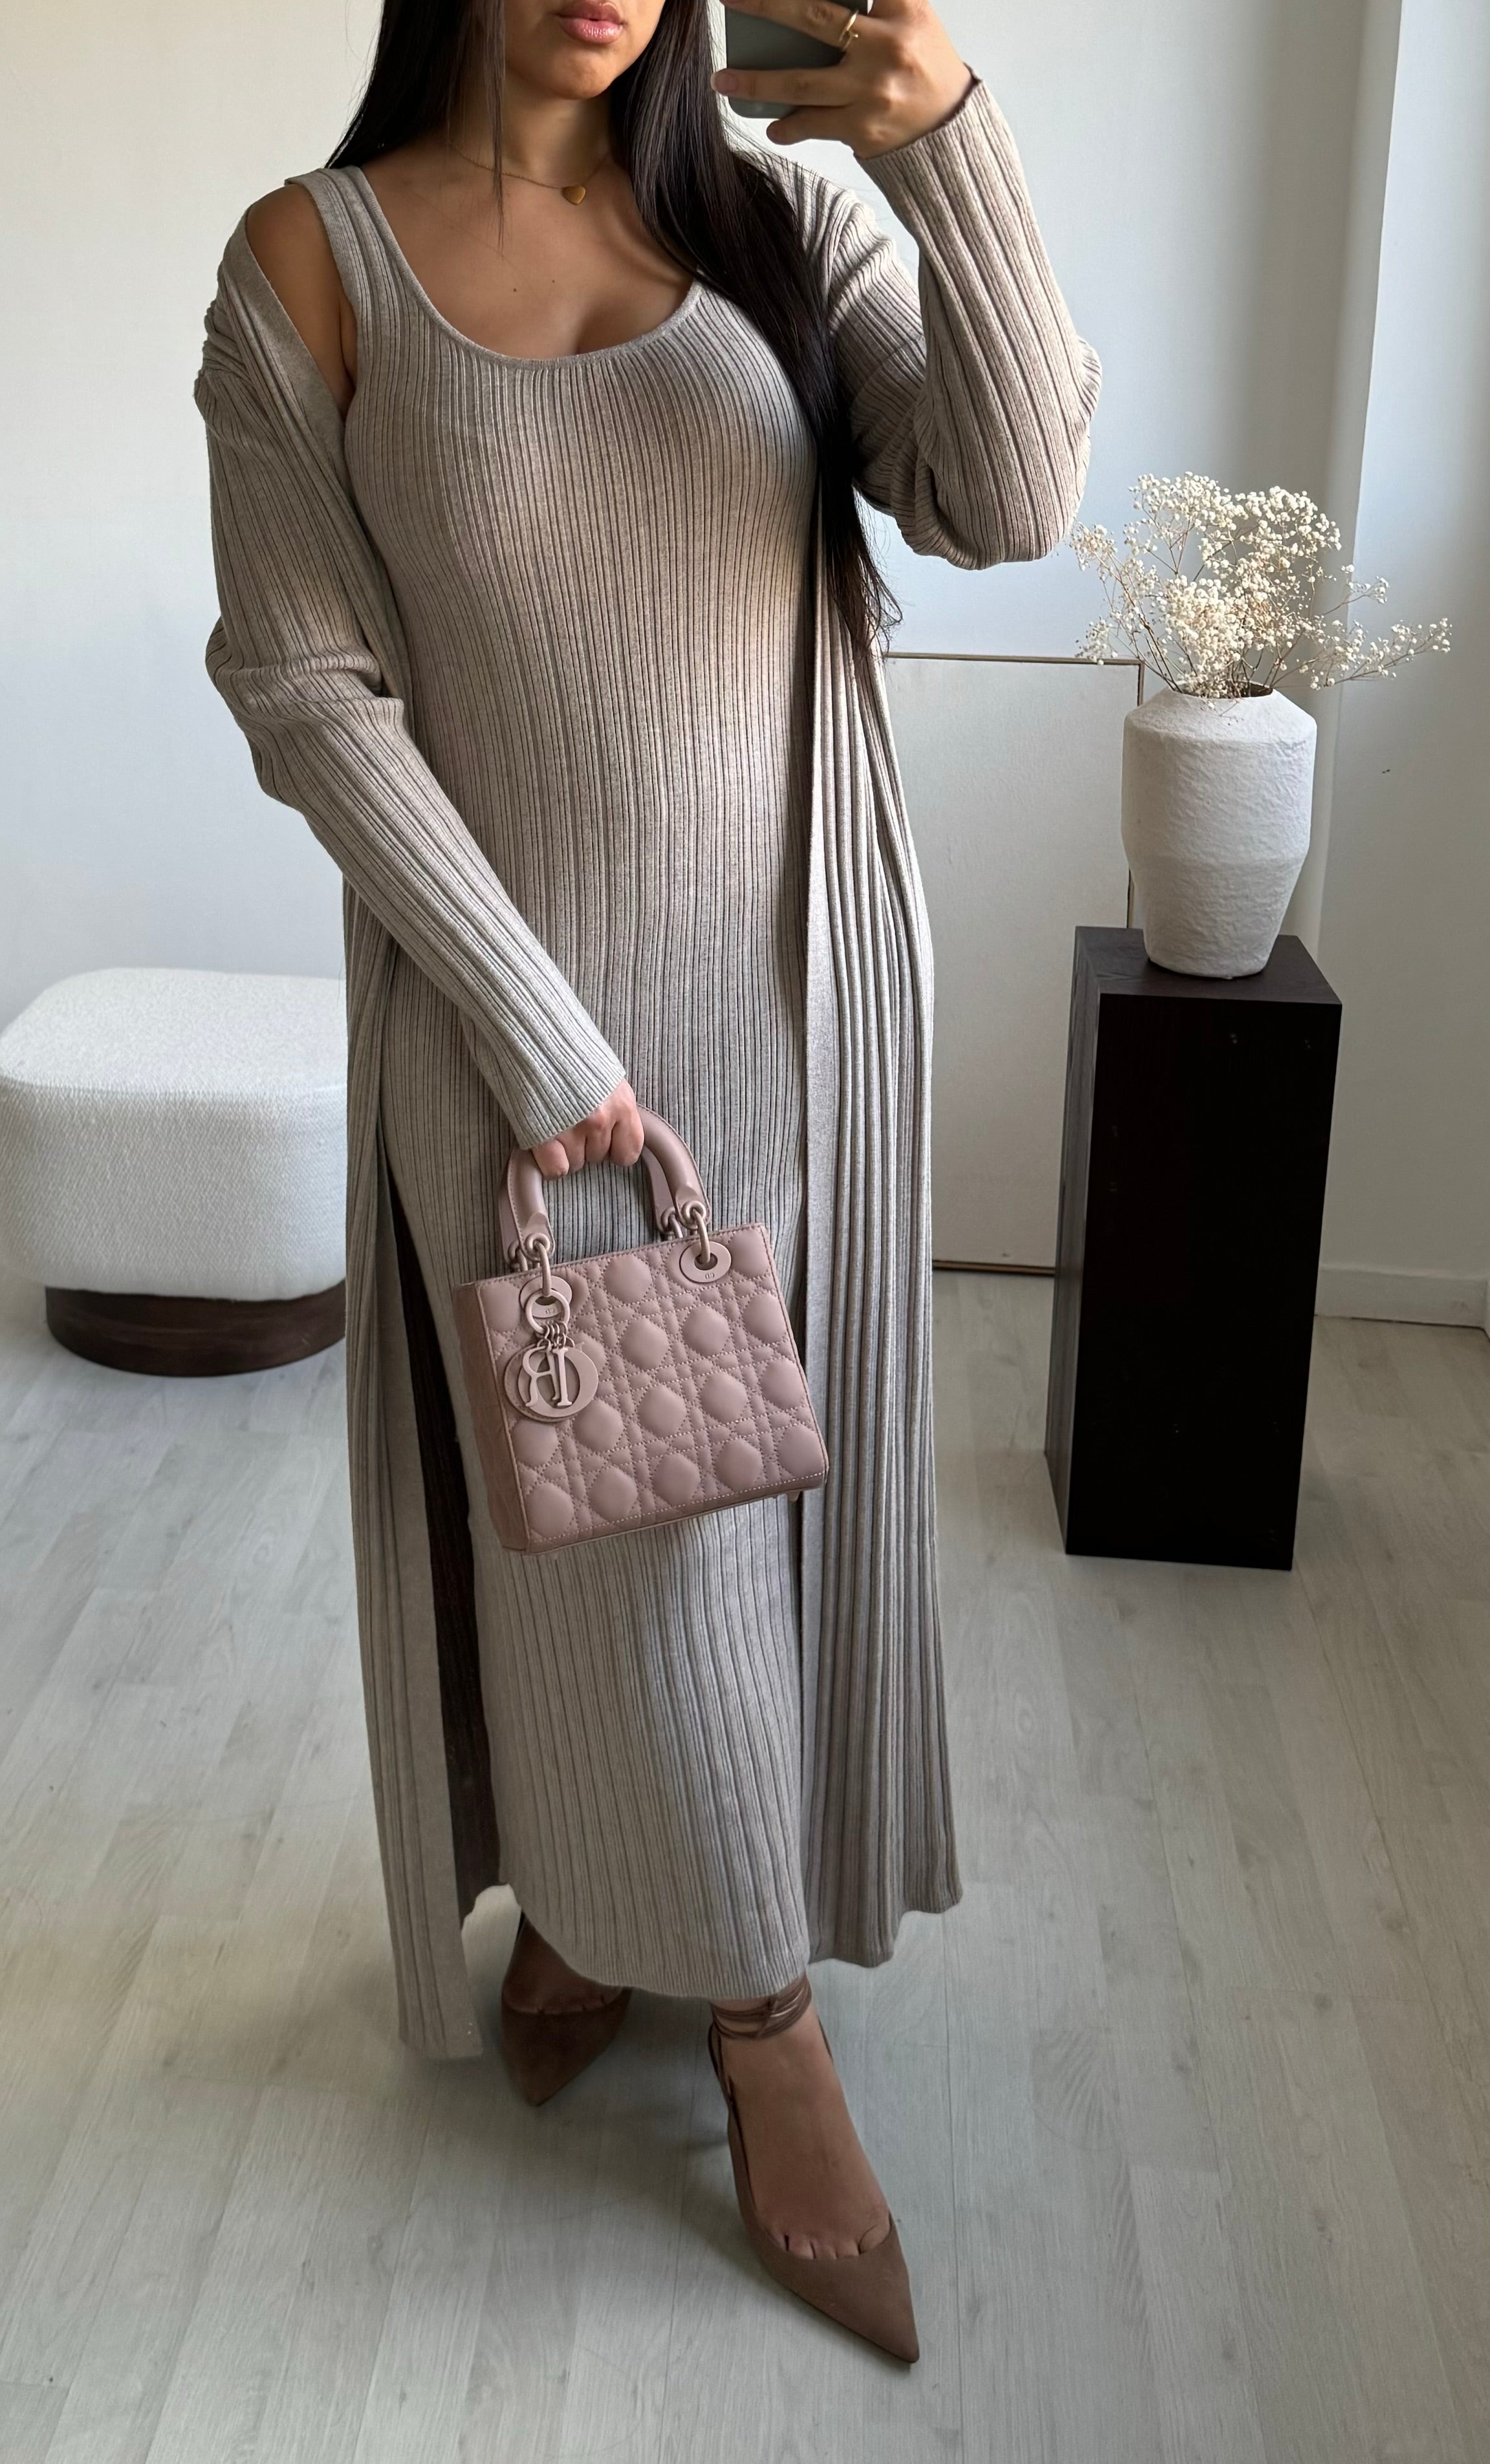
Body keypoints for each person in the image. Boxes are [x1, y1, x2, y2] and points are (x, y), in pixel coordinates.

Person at [196, 0, 1099, 2361]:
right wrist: (543, 1040)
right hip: (522, 1055)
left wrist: (950, 145)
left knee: (739, 1520)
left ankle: (657, 1931)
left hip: (809, 1005)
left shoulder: (779, 223)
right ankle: (740, 2002)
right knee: (603, 1537)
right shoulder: (313, 267)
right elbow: (304, 685)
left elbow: (1009, 498)